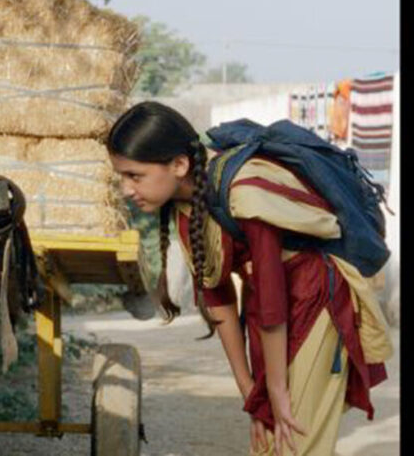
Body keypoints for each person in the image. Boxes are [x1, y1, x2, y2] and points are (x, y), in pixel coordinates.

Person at [106, 101, 392, 456]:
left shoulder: (247, 189)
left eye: (134, 176)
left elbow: (273, 299)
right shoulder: (184, 209)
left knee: (299, 445)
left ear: (179, 165)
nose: (125, 189)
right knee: (272, 447)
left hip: (317, 305)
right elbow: (218, 299)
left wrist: (275, 391)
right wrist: (251, 395)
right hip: (269, 318)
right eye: (121, 176)